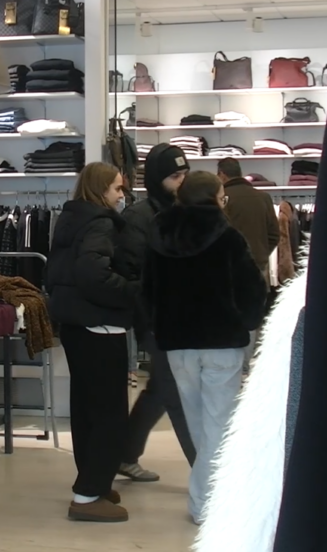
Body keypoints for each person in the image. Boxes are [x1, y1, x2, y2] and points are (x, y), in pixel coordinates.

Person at [145, 170, 267, 525]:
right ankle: (208, 504)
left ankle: (208, 499)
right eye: (222, 196)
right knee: (218, 424)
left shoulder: (159, 234)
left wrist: (156, 326)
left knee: (199, 424)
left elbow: (148, 290)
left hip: (177, 343)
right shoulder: (227, 236)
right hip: (221, 342)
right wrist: (248, 322)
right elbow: (252, 290)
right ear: (214, 198)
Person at [45, 162, 137, 523]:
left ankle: (93, 483)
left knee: (86, 411)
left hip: (75, 324)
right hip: (100, 326)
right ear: (101, 190)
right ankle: (87, 495)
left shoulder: (71, 219)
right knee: (110, 415)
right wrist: (133, 291)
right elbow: (93, 274)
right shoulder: (100, 223)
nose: (121, 195)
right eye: (117, 188)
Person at [114, 144, 196, 482]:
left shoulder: (185, 212)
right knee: (176, 394)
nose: (182, 182)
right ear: (157, 179)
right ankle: (207, 474)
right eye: (175, 176)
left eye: (185, 174)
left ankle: (124, 454)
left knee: (161, 391)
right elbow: (132, 273)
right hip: (157, 321)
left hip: (183, 319)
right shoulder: (139, 218)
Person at [216, 157, 280, 371]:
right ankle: (247, 368)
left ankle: (230, 366)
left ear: (222, 174)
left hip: (225, 267)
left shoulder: (222, 198)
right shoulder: (263, 198)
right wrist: (260, 253)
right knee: (252, 316)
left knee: (226, 315)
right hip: (257, 266)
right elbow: (274, 234)